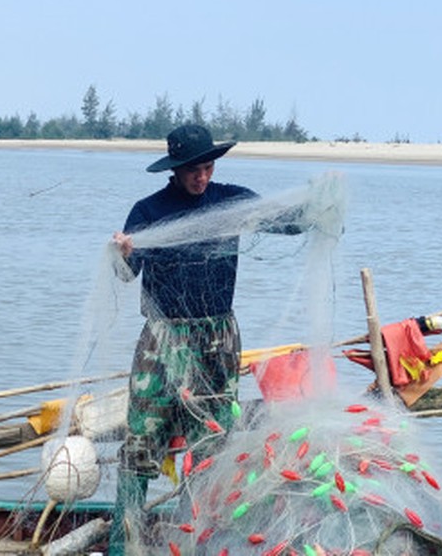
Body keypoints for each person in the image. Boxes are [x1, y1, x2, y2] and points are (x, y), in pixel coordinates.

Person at [107, 123, 303, 555]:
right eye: (194, 170)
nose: (203, 177)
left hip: (217, 336)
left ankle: (195, 539)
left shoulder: (229, 201)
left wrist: (321, 212)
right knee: (142, 438)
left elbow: (283, 223)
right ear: (175, 170)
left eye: (209, 167)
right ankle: (125, 543)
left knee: (211, 443)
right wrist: (121, 253)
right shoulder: (149, 211)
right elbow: (126, 273)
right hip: (163, 338)